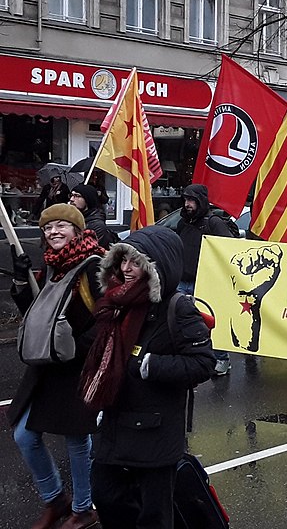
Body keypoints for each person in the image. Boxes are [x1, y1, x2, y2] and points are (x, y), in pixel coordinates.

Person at [82, 225, 215, 528]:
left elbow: (203, 363)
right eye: (123, 260)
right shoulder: (116, 303)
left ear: (157, 267)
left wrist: (149, 365)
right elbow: (88, 343)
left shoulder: (178, 308)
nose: (126, 269)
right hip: (114, 422)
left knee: (154, 517)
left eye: (136, 262)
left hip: (154, 431)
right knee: (105, 497)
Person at [7, 203, 105, 529]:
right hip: (46, 366)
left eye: (61, 226)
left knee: (77, 440)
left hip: (77, 367)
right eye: (48, 228)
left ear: (77, 230)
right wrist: (22, 280)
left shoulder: (93, 265)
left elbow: (107, 317)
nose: (53, 232)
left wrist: (79, 348)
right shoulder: (51, 266)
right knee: (24, 435)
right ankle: (56, 499)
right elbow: (35, 312)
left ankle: (83, 508)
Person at [176, 184, 234, 375]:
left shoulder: (213, 222)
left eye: (191, 200)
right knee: (182, 321)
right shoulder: (183, 223)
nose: (187, 204)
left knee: (210, 321)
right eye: (185, 200)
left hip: (205, 282)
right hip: (182, 281)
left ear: (200, 201)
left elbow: (228, 249)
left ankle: (221, 359)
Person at [69, 183, 119, 249]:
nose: (71, 199)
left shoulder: (97, 226)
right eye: (71, 195)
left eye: (77, 196)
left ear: (87, 200)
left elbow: (91, 251)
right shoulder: (73, 218)